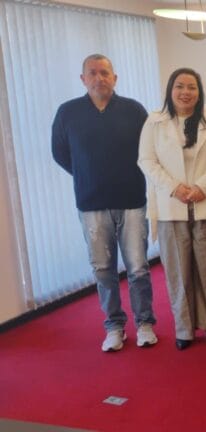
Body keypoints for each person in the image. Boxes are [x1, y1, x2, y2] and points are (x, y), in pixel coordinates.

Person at [52, 54, 157, 352]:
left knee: (138, 268)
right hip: (91, 204)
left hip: (132, 201)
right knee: (102, 270)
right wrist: (86, 174)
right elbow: (60, 152)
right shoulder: (68, 112)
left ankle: (145, 323)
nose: (99, 78)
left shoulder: (133, 110)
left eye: (105, 73)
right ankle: (114, 326)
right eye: (92, 73)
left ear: (115, 78)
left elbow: (148, 151)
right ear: (83, 79)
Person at [138, 68, 206, 351]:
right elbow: (147, 161)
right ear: (170, 90)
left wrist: (202, 187)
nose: (185, 92)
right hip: (171, 207)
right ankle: (184, 328)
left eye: (192, 87)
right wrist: (174, 188)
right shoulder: (154, 122)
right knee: (178, 273)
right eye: (180, 86)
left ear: (199, 92)